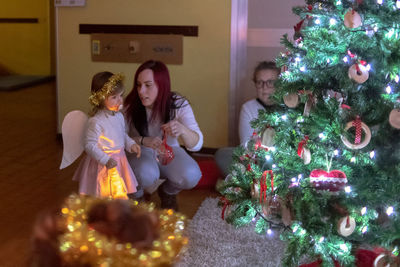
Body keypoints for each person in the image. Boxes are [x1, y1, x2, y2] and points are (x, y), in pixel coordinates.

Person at [124, 60, 203, 211]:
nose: (141, 91)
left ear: (162, 85)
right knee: (145, 173)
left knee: (192, 175)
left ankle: (167, 192)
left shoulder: (178, 104)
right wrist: (142, 140)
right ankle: (137, 196)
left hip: (169, 150)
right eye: (139, 85)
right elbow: (118, 139)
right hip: (139, 151)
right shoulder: (130, 105)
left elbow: (197, 143)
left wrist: (182, 130)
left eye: (148, 85)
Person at [72, 72, 141, 199]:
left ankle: (116, 211)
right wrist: (105, 159)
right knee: (102, 192)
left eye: (121, 95)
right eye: (114, 97)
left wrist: (131, 144)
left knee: (118, 190)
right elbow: (89, 144)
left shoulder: (119, 116)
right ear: (101, 99)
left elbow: (122, 134)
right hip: (102, 163)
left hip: (118, 160)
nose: (120, 100)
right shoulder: (96, 121)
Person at [215, 61, 280, 177]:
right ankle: (255, 182)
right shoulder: (248, 108)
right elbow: (245, 145)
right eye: (260, 82)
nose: (265, 88)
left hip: (281, 159)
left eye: (270, 82)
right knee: (223, 154)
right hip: (256, 158)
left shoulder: (288, 107)